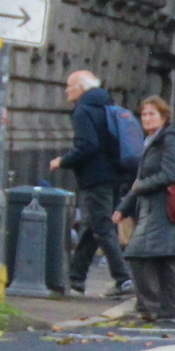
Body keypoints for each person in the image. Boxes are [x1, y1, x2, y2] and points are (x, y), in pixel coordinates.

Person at [55, 69, 131, 298]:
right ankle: (75, 279)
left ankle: (124, 278)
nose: (67, 90)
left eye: (69, 85)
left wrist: (63, 160)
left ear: (80, 87)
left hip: (95, 178)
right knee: (92, 226)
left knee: (102, 227)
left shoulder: (83, 110)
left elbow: (88, 145)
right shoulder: (107, 105)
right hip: (114, 174)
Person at [117, 96, 175, 323]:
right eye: (144, 114)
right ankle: (169, 310)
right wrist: (124, 208)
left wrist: (142, 187)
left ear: (163, 117)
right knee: (166, 259)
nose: (146, 119)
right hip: (152, 207)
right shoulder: (151, 140)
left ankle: (149, 307)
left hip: (163, 207)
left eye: (152, 114)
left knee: (138, 254)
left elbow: (172, 173)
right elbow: (140, 178)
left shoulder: (169, 140)